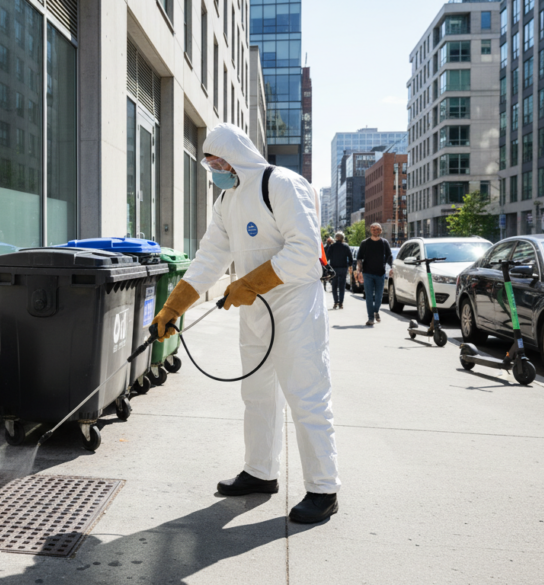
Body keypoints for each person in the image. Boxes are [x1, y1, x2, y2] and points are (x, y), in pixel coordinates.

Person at [150, 123, 340, 524]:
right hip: (254, 307)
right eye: (210, 164)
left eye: (219, 161)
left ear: (237, 156)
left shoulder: (283, 184)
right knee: (257, 395)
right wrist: (173, 308)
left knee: (306, 395)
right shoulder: (226, 200)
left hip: (294, 303)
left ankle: (323, 488)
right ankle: (260, 471)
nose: (215, 169)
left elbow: (306, 251)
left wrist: (250, 282)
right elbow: (209, 257)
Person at [356, 223, 394, 326]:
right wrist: (359, 272)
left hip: (380, 273)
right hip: (367, 273)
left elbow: (389, 256)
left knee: (378, 296)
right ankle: (371, 318)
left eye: (377, 229)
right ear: (370, 230)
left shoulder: (384, 242)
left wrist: (390, 268)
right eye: (373, 229)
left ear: (381, 231)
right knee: (369, 296)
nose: (375, 231)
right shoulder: (365, 243)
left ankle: (376, 311)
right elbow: (359, 258)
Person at [326, 232, 353, 310]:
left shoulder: (332, 246)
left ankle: (335, 302)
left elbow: (327, 257)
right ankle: (341, 303)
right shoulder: (346, 246)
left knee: (334, 286)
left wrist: (327, 267)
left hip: (334, 268)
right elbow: (350, 258)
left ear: (335, 238)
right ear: (343, 238)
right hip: (343, 268)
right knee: (342, 286)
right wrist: (348, 265)